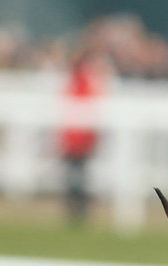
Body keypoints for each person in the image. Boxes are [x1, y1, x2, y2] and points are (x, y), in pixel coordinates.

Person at [57, 49, 105, 226]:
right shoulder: (79, 80)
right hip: (75, 139)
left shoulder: (81, 80)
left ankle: (79, 211)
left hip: (79, 139)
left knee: (78, 176)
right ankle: (76, 210)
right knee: (75, 176)